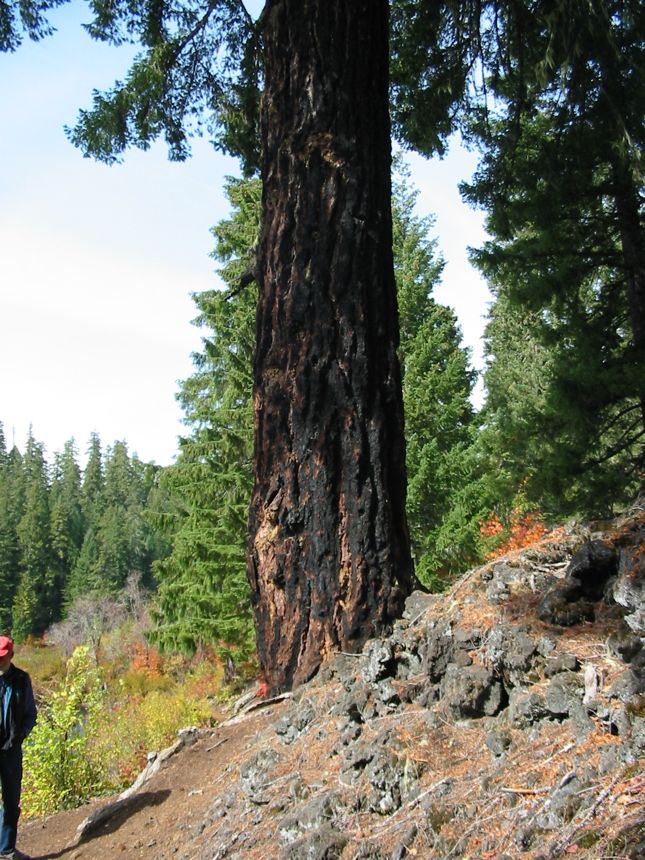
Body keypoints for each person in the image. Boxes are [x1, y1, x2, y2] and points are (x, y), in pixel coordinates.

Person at [0, 636, 37, 860]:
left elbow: (31, 713)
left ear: (11, 655)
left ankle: (6, 850)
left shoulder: (22, 680)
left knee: (12, 801)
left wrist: (21, 735)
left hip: (11, 750)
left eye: (3, 657)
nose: (0, 661)